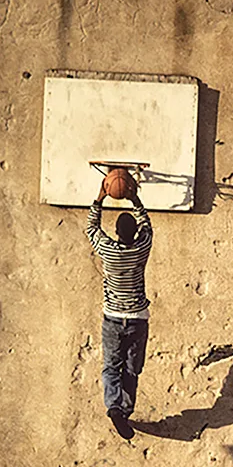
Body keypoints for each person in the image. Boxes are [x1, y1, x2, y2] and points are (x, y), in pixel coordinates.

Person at [86, 175, 153, 440]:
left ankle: (114, 406)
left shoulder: (107, 250)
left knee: (111, 366)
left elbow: (92, 229)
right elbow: (147, 226)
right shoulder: (141, 249)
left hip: (113, 318)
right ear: (134, 233)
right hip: (137, 319)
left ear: (115, 233)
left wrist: (101, 196)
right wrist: (134, 196)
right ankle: (124, 409)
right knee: (131, 369)